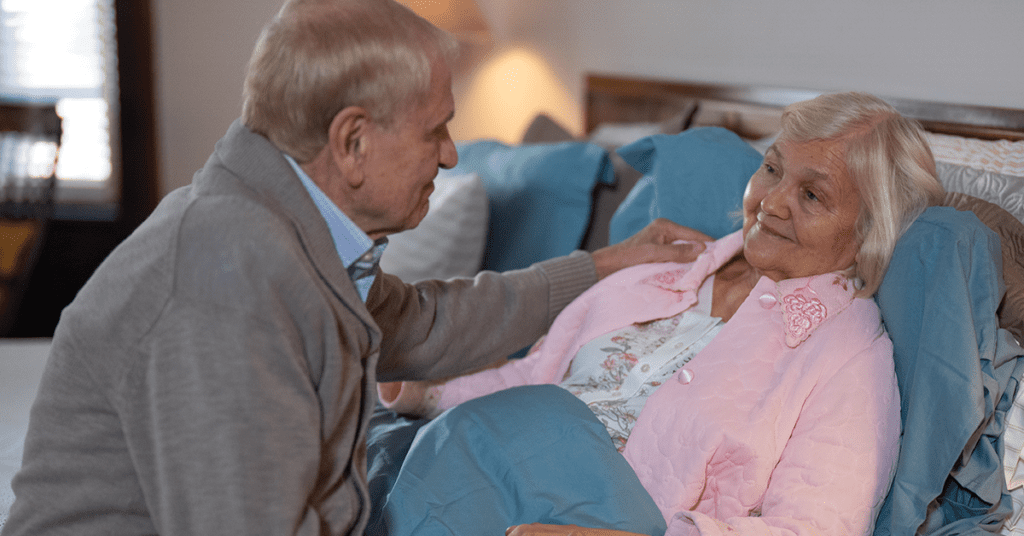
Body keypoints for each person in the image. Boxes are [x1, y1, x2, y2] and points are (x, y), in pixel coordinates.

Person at [0, 1, 708, 535]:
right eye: (435, 129)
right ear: (353, 140)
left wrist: (602, 266)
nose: (452, 155)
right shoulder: (223, 278)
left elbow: (429, 325)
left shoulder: (294, 238)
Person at [377, 92, 947, 536]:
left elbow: (814, 528)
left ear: (869, 231)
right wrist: (425, 394)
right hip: (488, 462)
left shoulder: (848, 352)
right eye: (772, 169)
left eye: (813, 196)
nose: (772, 203)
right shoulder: (661, 268)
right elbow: (533, 376)